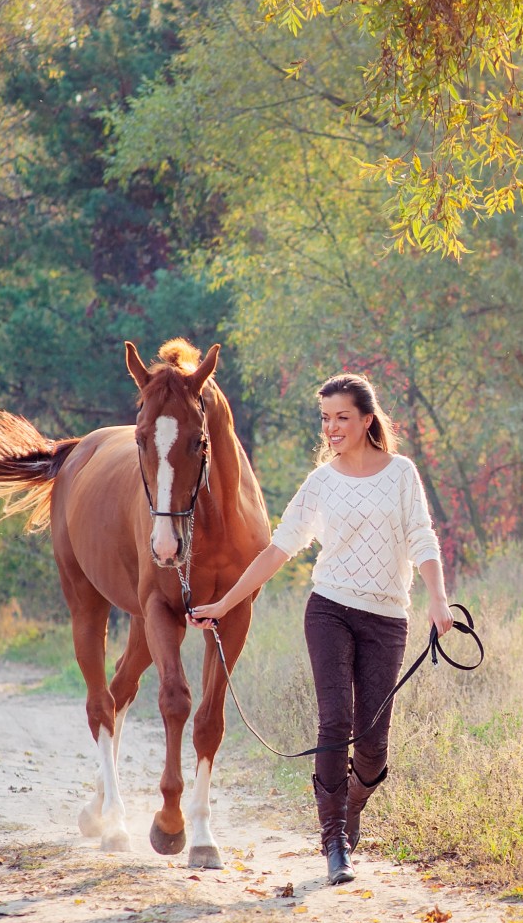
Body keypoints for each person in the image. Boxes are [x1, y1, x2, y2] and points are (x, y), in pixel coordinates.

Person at [187, 373, 454, 885]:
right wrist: (223, 602)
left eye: (342, 418)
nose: (332, 428)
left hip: (387, 618)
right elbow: (278, 549)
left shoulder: (401, 474)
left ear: (367, 420)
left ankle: (351, 803)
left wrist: (438, 599)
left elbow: (422, 538)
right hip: (329, 609)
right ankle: (333, 840)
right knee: (335, 724)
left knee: (373, 748)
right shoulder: (321, 482)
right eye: (326, 418)